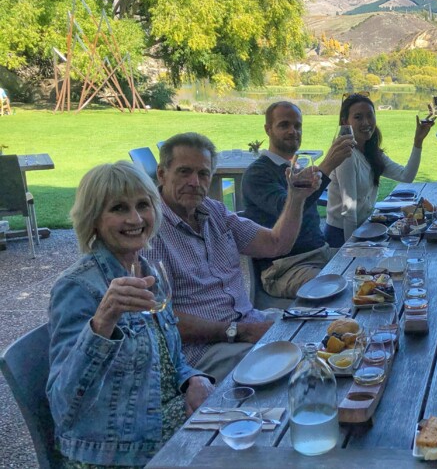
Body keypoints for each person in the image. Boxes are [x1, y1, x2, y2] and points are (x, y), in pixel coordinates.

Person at [47, 162, 214, 467]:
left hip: (167, 428)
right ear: (94, 219)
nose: (135, 219)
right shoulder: (77, 287)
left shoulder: (148, 273)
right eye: (119, 208)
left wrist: (194, 379)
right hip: (117, 453)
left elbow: (170, 359)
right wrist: (102, 324)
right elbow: (63, 406)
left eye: (142, 205)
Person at [145, 132, 319, 380]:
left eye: (203, 173)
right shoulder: (150, 231)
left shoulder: (214, 211)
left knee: (322, 334)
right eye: (184, 172)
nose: (195, 181)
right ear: (162, 174)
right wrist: (239, 331)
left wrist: (296, 197)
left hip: (250, 324)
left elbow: (276, 244)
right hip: (206, 352)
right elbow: (161, 319)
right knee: (303, 370)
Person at [241, 101, 355, 298]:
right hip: (284, 268)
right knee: (346, 290)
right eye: (284, 125)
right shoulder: (257, 174)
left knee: (376, 267)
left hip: (321, 254)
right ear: (268, 129)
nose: (293, 131)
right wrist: (327, 165)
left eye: (297, 125)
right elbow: (289, 206)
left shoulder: (295, 168)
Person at [325, 94, 435, 246]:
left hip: (367, 228)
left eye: (370, 116)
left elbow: (406, 176)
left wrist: (418, 142)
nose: (366, 122)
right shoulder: (346, 155)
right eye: (358, 117)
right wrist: (350, 249)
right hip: (343, 235)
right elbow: (348, 209)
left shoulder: (370, 152)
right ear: (345, 122)